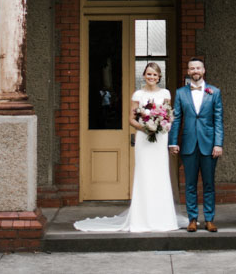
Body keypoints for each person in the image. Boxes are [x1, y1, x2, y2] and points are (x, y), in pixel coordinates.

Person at [74, 62, 182, 232]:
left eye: (154, 75)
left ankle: (163, 218)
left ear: (159, 77)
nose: (151, 77)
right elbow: (131, 119)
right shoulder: (138, 94)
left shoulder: (165, 93)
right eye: (148, 74)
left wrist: (161, 125)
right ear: (144, 76)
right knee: (144, 174)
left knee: (160, 175)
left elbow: (167, 115)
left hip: (160, 139)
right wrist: (146, 127)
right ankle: (141, 219)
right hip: (144, 140)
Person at [168, 58, 224, 232]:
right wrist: (172, 142)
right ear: (188, 71)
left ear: (203, 70)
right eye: (192, 68)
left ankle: (209, 219)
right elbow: (176, 119)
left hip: (209, 145)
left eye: (198, 68)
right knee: (190, 184)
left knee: (209, 184)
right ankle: (192, 219)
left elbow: (218, 120)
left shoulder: (214, 92)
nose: (195, 71)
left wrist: (218, 143)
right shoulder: (180, 93)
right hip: (189, 144)